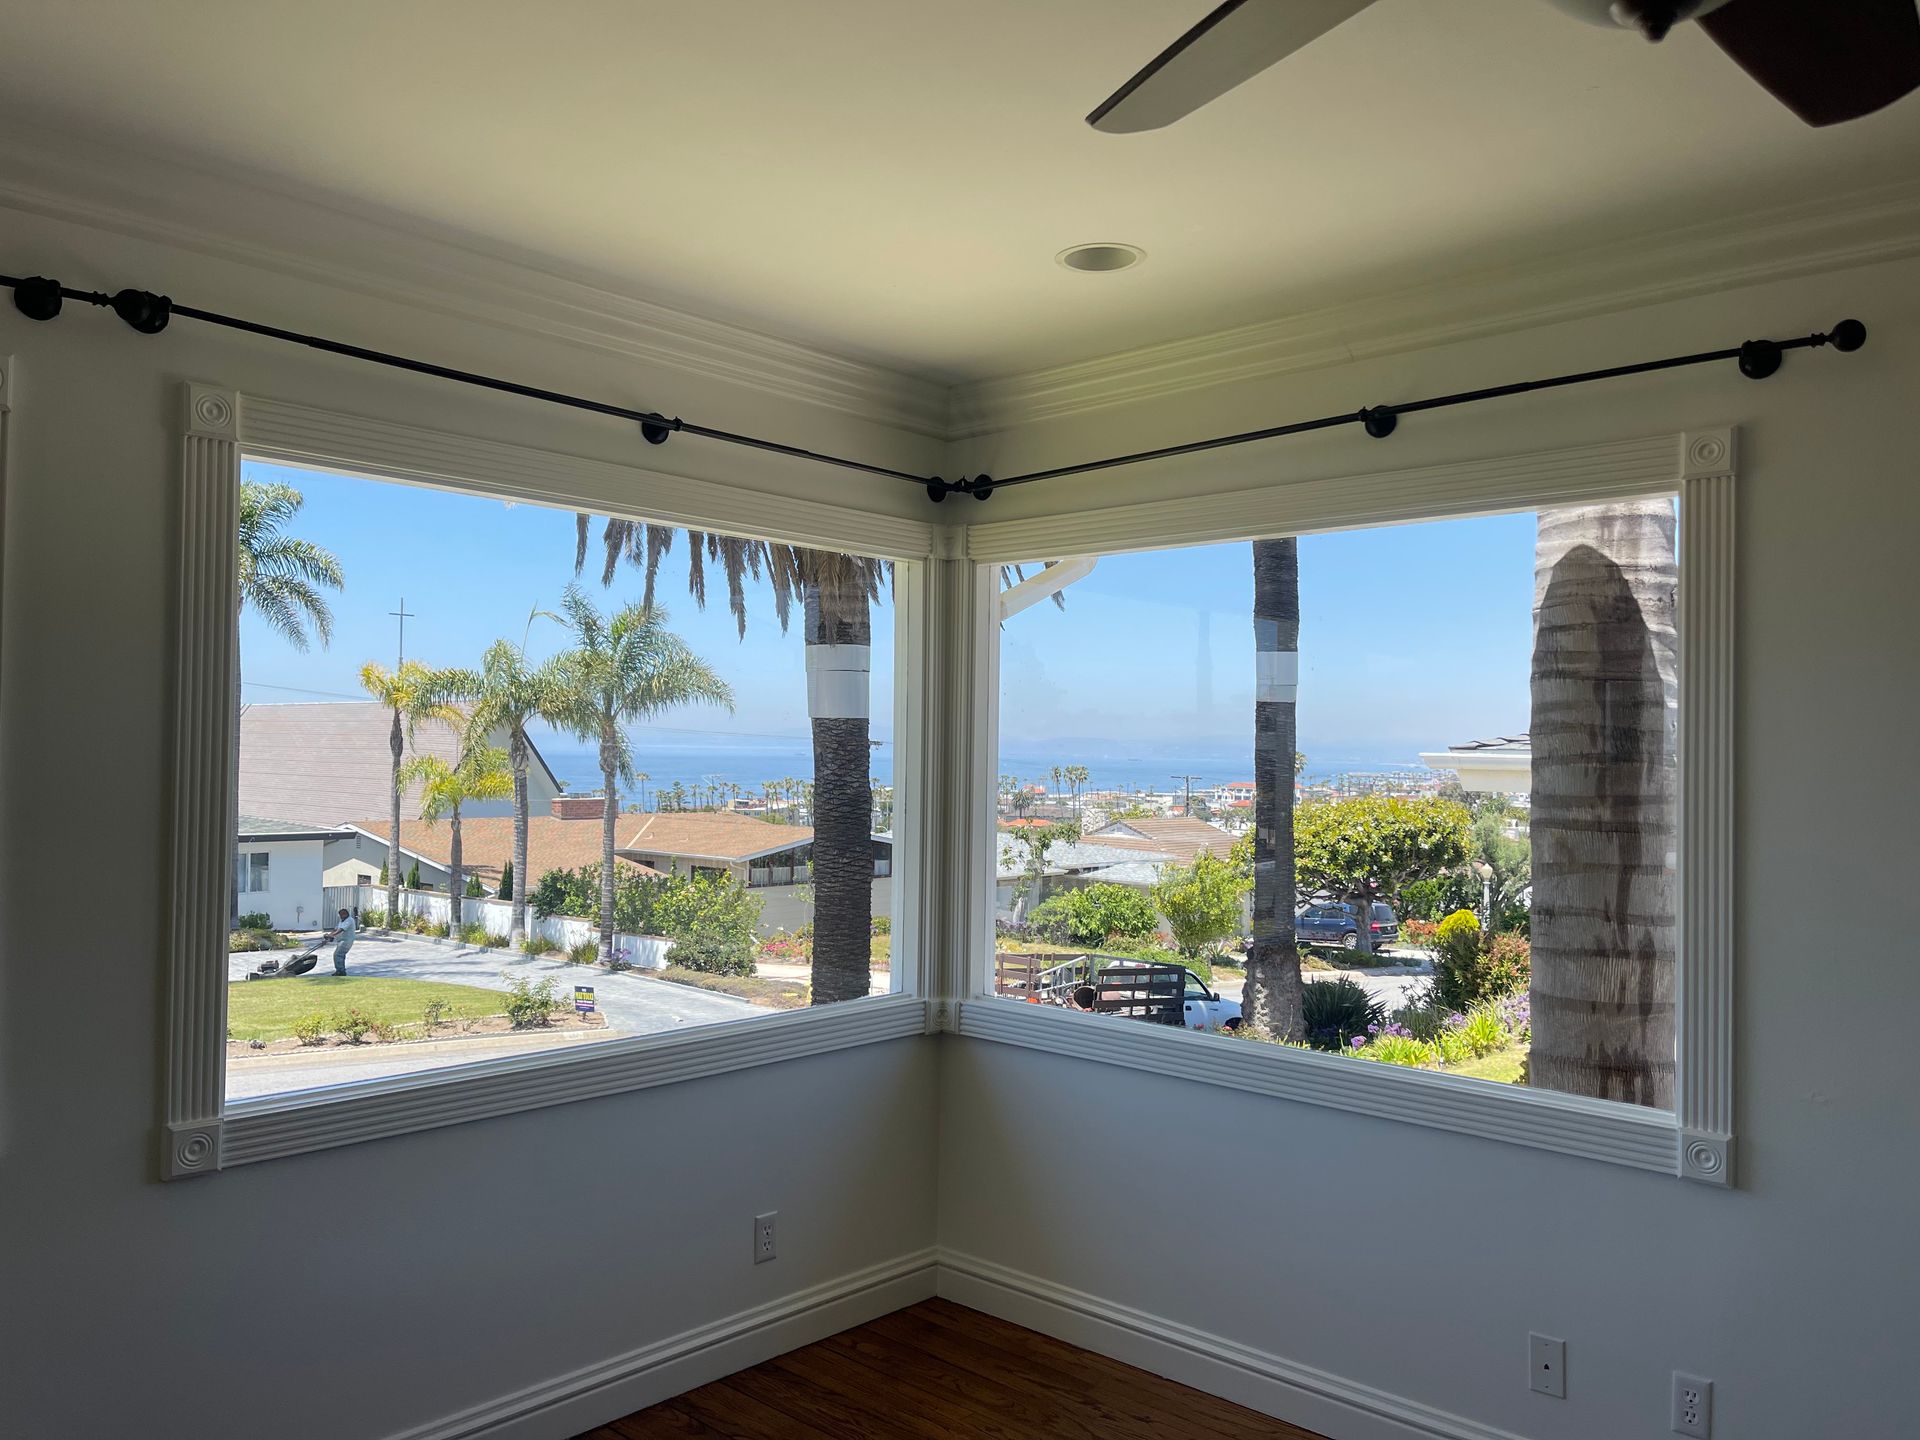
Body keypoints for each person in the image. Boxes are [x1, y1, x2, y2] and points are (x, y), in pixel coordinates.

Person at [325, 907, 358, 976]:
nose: (340, 917)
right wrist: (330, 935)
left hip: (346, 941)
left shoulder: (349, 920)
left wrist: (332, 935)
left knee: (338, 955)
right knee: (339, 955)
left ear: (345, 914)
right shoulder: (342, 920)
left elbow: (341, 929)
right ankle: (340, 970)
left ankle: (341, 971)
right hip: (341, 941)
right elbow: (336, 929)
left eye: (341, 915)